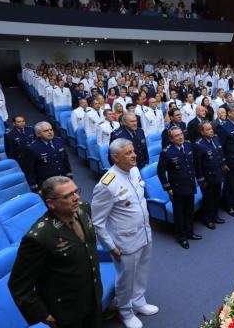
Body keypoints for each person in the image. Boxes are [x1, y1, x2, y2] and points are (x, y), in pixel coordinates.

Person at [8, 176, 103, 328]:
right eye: (68, 196)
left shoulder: (84, 208)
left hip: (93, 295)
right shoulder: (39, 237)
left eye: (76, 191)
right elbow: (18, 285)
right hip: (67, 310)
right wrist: (43, 315)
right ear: (51, 203)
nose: (76, 198)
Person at [91, 139, 157, 328]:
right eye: (128, 153)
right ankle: (125, 311)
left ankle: (139, 301)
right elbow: (97, 221)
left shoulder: (135, 171)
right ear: (115, 158)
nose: (134, 155)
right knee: (125, 278)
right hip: (124, 241)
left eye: (133, 151)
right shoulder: (107, 183)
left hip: (144, 232)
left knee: (142, 270)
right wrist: (110, 246)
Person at [158, 127, 201, 249]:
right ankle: (182, 237)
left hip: (190, 184)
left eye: (181, 134)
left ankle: (190, 232)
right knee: (179, 214)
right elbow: (160, 172)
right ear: (171, 139)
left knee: (189, 211)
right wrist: (168, 188)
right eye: (176, 136)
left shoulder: (188, 145)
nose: (180, 137)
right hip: (177, 188)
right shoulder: (167, 152)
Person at [193, 121, 226, 229]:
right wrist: (201, 180)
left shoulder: (215, 138)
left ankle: (215, 216)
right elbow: (197, 166)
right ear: (202, 132)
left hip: (218, 173)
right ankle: (207, 219)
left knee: (217, 196)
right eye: (208, 129)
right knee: (208, 199)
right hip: (207, 177)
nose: (211, 130)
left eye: (211, 128)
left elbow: (219, 154)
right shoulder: (198, 145)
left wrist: (223, 165)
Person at [25, 122, 73, 191]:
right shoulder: (32, 148)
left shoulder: (58, 141)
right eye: (46, 131)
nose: (50, 132)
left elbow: (65, 159)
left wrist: (69, 174)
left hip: (63, 178)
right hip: (47, 183)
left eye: (51, 130)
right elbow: (30, 169)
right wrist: (34, 185)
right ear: (38, 134)